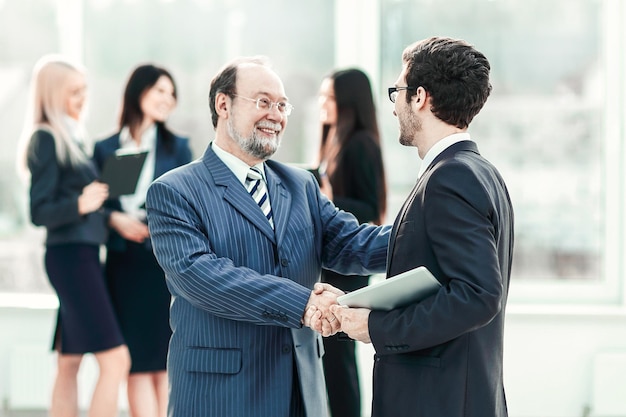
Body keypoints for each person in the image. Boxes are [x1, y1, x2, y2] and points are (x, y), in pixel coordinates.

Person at [144, 56, 391, 417]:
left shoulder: (300, 184)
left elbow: (351, 243)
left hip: (300, 390)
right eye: (263, 102)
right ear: (223, 104)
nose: (276, 115)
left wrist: (426, 228)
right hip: (223, 396)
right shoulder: (174, 191)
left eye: (282, 105)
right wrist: (304, 304)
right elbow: (206, 278)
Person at [332, 36, 515, 417]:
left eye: (397, 91)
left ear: (419, 97)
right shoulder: (478, 172)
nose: (394, 105)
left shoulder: (451, 178)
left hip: (438, 402)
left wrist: (378, 328)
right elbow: (428, 266)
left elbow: (477, 295)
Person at [17, 55, 130, 417]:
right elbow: (39, 211)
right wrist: (80, 203)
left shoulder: (73, 136)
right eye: (74, 92)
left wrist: (97, 203)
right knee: (116, 360)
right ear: (52, 95)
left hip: (80, 253)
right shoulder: (47, 139)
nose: (83, 98)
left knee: (70, 361)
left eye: (85, 90)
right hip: (71, 257)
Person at [93, 64, 192, 417]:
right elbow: (96, 206)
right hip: (123, 265)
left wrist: (154, 222)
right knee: (135, 363)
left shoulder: (177, 147)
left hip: (161, 265)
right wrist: (114, 219)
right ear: (139, 92)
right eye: (159, 91)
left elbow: (188, 202)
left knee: (163, 362)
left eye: (171, 93)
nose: (168, 99)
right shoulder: (106, 147)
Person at [316, 68, 387, 417]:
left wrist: (329, 200)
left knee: (340, 357)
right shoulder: (333, 140)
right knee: (330, 358)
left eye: (329, 97)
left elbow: (372, 209)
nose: (322, 104)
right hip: (334, 263)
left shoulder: (361, 144)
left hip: (351, 264)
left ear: (347, 102)